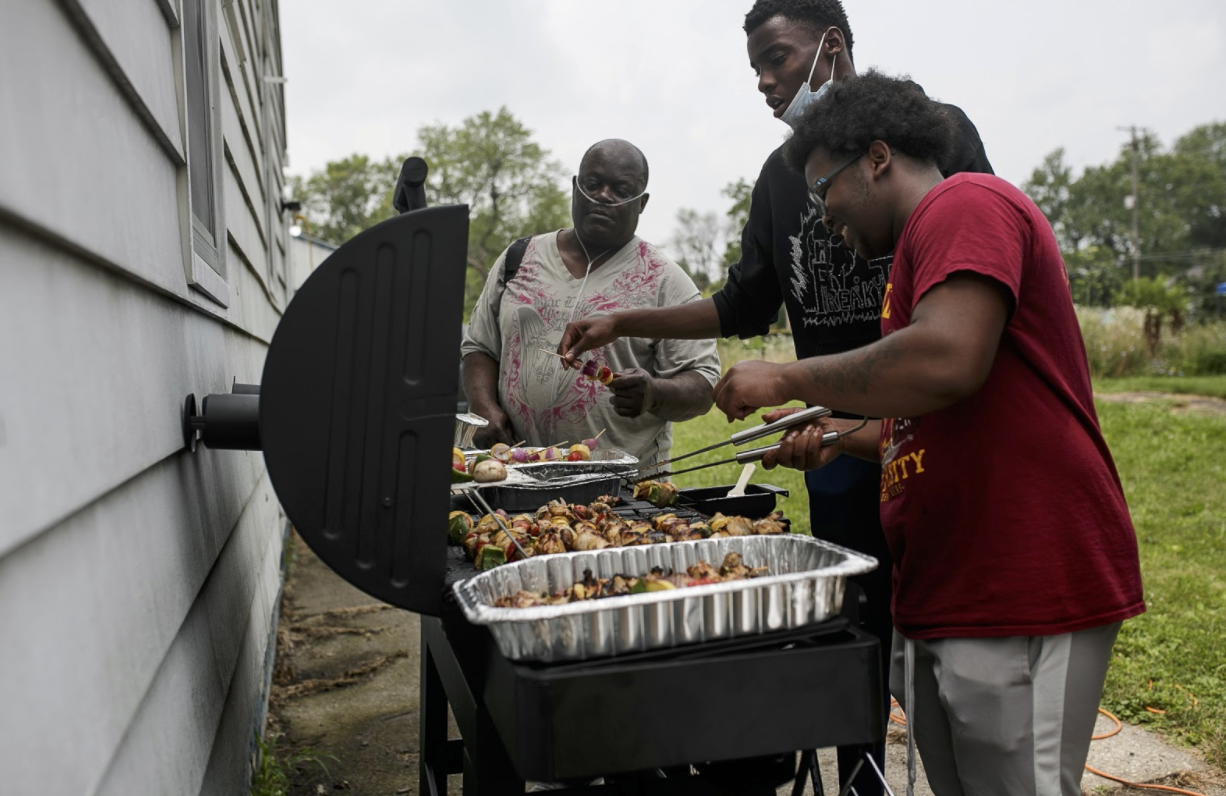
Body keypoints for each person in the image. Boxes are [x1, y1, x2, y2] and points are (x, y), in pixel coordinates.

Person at [558, 2, 991, 791]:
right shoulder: (781, 174)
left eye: (777, 59)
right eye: (754, 67)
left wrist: (790, 381)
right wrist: (623, 316)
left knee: (954, 651)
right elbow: (742, 303)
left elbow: (969, 295)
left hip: (928, 439)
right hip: (841, 452)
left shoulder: (939, 135)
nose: (763, 82)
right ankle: (865, 778)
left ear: (831, 47)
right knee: (856, 644)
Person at [713, 71, 1145, 795]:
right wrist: (837, 434)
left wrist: (791, 377)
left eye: (825, 192)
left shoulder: (964, 202)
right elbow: (917, 422)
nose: (821, 216)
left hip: (1020, 572)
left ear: (878, 157)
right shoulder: (912, 256)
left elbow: (947, 359)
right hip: (944, 583)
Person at [461, 139, 720, 468]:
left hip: (621, 499)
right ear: (575, 187)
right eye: (593, 184)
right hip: (516, 480)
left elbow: (703, 384)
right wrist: (484, 407)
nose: (603, 196)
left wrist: (655, 393)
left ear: (641, 203)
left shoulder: (666, 282)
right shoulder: (519, 258)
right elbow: (479, 346)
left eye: (621, 188)